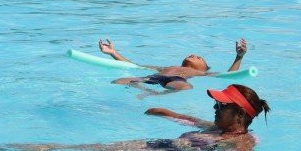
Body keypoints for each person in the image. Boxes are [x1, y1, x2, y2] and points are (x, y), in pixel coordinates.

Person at [0, 83, 270, 151]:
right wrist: (167, 112)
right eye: (216, 103)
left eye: (221, 105)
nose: (215, 107)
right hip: (161, 143)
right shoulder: (218, 127)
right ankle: (29, 148)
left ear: (241, 115)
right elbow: (193, 120)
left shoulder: (243, 139)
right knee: (97, 147)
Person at [98, 38, 247, 96]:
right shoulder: (166, 67)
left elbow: (228, 77)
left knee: (186, 87)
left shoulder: (200, 73)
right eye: (193, 54)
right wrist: (113, 52)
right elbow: (135, 65)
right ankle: (144, 89)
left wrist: (238, 57)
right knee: (118, 81)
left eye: (199, 58)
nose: (194, 54)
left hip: (177, 80)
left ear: (204, 68)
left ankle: (154, 93)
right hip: (153, 78)